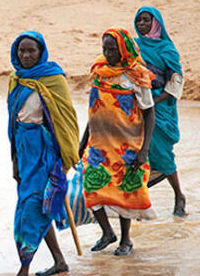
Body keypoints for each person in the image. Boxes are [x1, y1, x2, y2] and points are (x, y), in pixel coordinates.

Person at [7, 31, 79, 276]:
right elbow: (13, 123)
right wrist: (15, 159)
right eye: (22, 51)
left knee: (32, 206)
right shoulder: (15, 79)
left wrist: (64, 156)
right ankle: (59, 261)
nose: (26, 56)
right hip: (24, 150)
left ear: (41, 52)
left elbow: (65, 119)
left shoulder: (53, 79)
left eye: (31, 51)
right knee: (39, 206)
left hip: (45, 152)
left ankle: (24, 267)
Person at [80, 27, 156, 256]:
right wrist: (82, 142)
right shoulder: (99, 70)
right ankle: (107, 232)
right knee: (91, 188)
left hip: (127, 145)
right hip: (99, 145)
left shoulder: (135, 75)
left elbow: (149, 113)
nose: (108, 53)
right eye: (105, 48)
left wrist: (144, 150)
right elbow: (94, 111)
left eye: (112, 49)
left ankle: (126, 241)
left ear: (122, 49)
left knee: (125, 193)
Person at [134, 6, 186, 217]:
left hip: (161, 106)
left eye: (146, 20)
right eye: (139, 21)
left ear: (156, 23)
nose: (141, 25)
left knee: (162, 153)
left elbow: (175, 81)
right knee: (138, 152)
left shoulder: (167, 49)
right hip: (139, 102)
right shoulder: (135, 46)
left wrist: (155, 101)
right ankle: (139, 200)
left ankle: (179, 195)